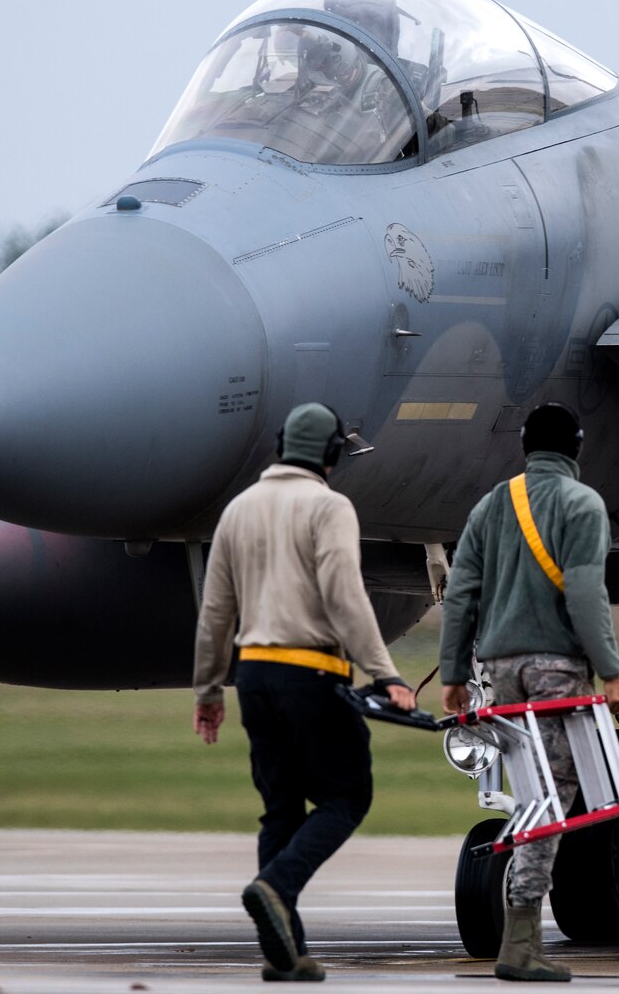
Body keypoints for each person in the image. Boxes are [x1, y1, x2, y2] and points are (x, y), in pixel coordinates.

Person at [193, 402, 417, 983]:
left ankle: (284, 953)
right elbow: (344, 594)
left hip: (254, 677)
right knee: (348, 796)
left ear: (279, 446)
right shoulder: (329, 506)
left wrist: (208, 690)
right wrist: (386, 674)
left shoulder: (238, 510)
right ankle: (276, 886)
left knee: (281, 808)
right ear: (333, 454)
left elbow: (215, 610)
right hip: (311, 672)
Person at [439, 402, 619, 983]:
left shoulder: (491, 504)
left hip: (497, 665)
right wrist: (612, 671)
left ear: (525, 445)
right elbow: (585, 596)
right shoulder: (583, 504)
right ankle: (520, 939)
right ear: (577, 446)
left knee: (529, 788)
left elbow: (461, 593)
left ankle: (522, 930)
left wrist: (452, 673)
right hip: (554, 667)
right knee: (551, 798)